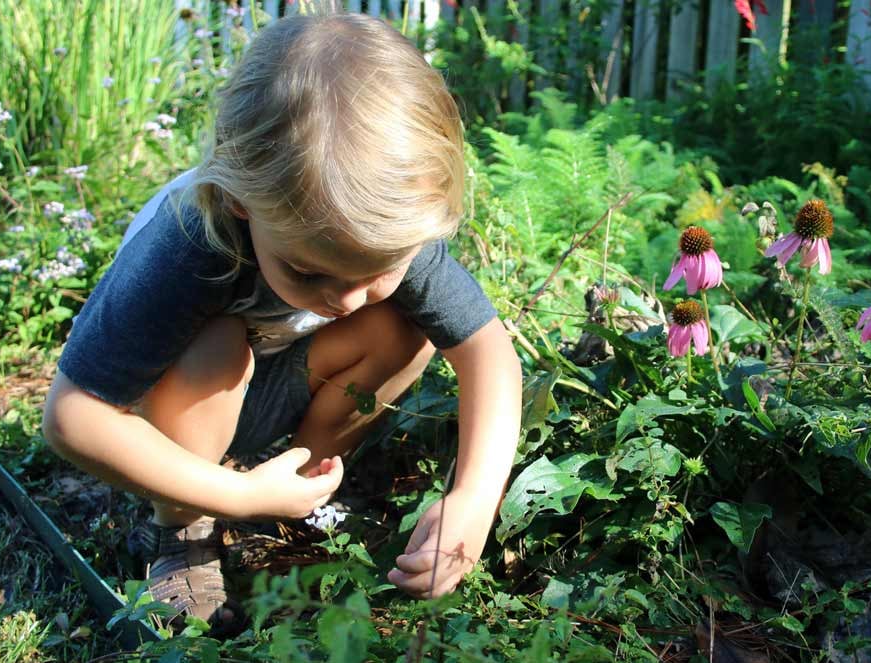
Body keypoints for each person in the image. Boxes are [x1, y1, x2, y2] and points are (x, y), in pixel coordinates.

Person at [41, 12, 521, 636]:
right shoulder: (193, 238)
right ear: (243, 199)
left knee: (403, 328)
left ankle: (297, 490)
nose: (347, 300)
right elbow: (73, 415)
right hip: (173, 409)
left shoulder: (387, 226)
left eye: (379, 270)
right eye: (308, 271)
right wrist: (229, 494)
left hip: (277, 383)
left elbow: (489, 354)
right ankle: (184, 526)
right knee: (218, 343)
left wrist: (474, 499)